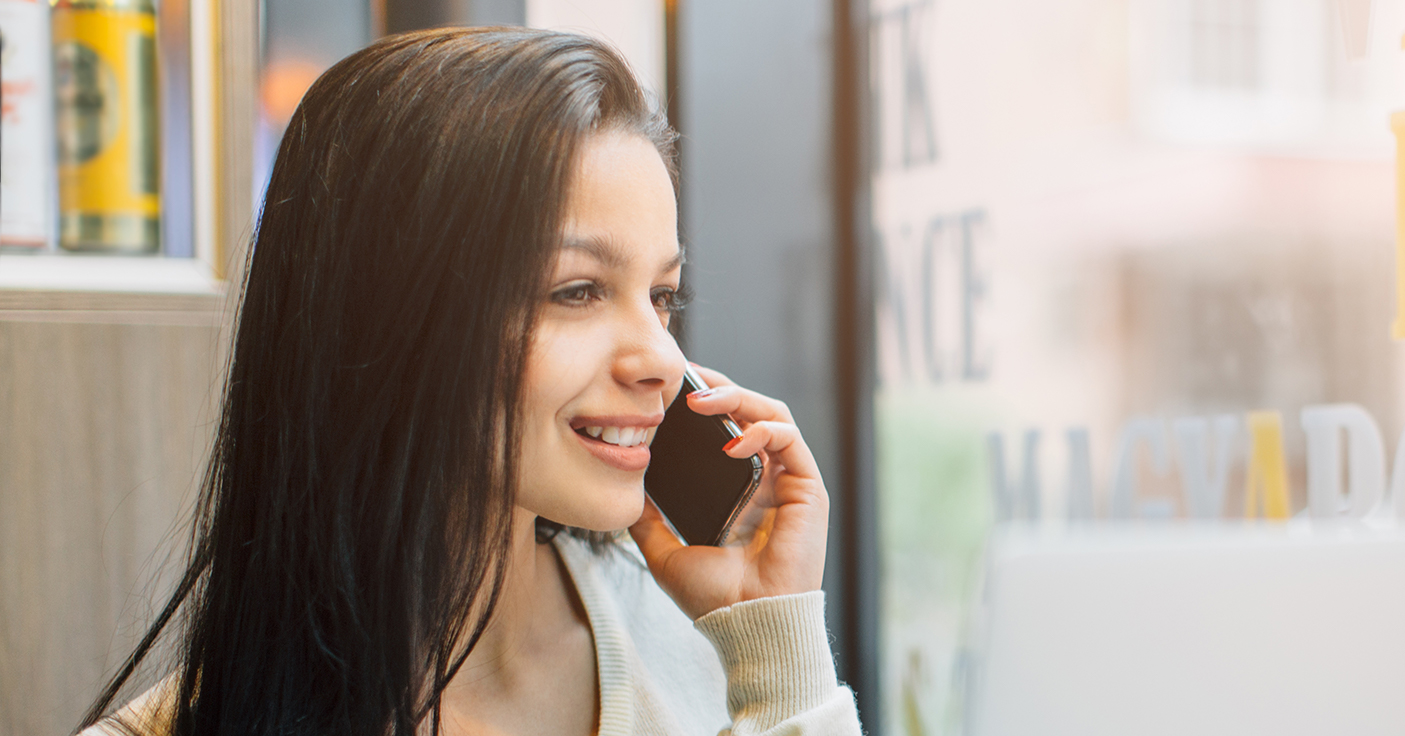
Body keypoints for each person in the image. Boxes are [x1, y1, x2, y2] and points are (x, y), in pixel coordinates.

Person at [79, 27, 859, 736]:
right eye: (577, 291)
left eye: (661, 297)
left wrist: (778, 649)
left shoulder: (703, 644)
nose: (659, 357)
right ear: (388, 315)